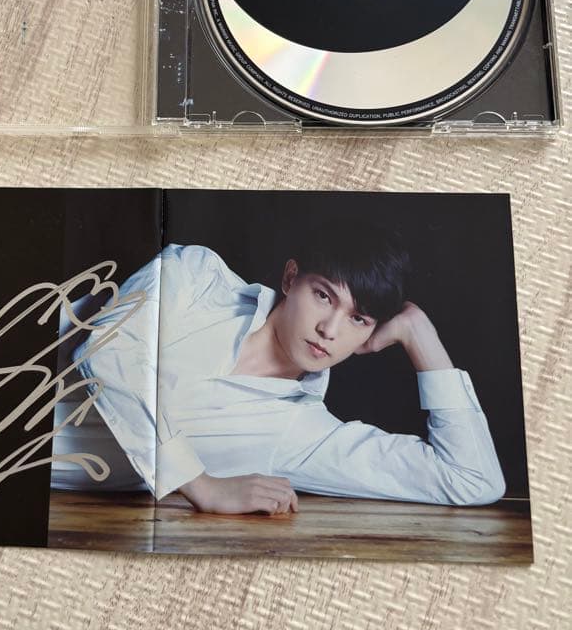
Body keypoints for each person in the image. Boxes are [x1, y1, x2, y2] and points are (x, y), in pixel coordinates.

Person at [69, 220, 506, 515]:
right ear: (291, 278)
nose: (329, 329)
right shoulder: (198, 276)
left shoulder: (302, 435)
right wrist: (201, 485)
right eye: (323, 296)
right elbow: (105, 352)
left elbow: (471, 479)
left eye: (358, 319)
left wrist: (419, 333)